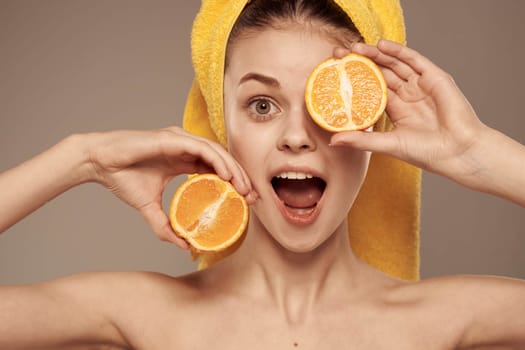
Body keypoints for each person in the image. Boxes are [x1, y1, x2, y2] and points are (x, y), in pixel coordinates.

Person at [1, 0, 525, 349]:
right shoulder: (145, 313)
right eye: (261, 105)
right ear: (218, 122)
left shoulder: (444, 319)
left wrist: (481, 155)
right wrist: (82, 158)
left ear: (374, 121)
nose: (296, 136)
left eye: (325, 103)